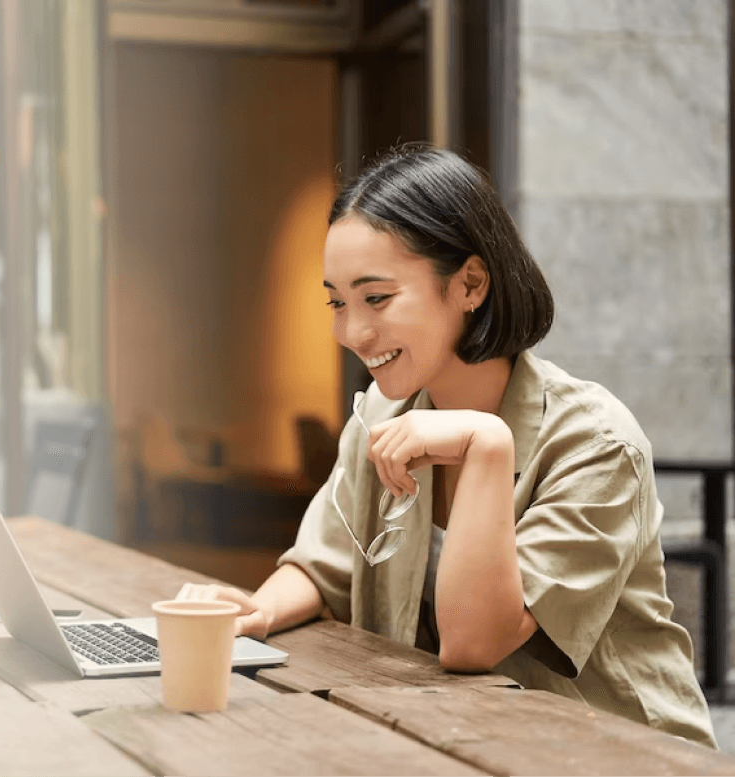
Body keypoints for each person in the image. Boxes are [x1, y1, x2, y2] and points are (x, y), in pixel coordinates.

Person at [178, 145, 718, 747]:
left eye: (376, 298)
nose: (352, 332)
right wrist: (258, 612)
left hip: (617, 755)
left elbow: (473, 643)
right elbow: (323, 567)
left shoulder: (598, 445)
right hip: (461, 741)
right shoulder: (382, 416)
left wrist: (486, 445)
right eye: (337, 301)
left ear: (470, 283)